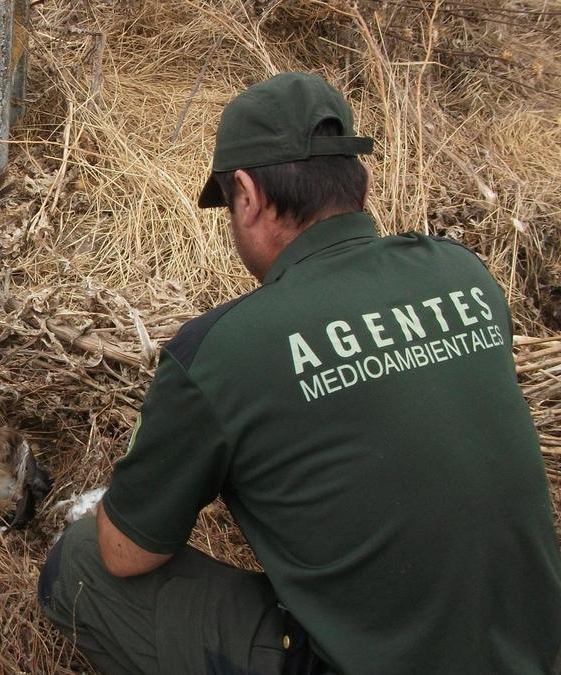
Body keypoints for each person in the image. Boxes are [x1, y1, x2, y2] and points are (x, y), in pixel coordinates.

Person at [37, 72, 561, 674]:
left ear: (248, 194)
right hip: (532, 649)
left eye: (231, 207)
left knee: (79, 562)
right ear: (356, 178)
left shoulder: (220, 350)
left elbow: (125, 553)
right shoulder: (464, 273)